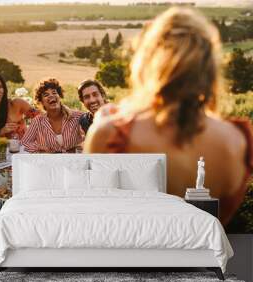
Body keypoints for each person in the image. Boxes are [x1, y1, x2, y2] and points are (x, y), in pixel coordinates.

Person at [84, 7, 252, 226]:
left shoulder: (110, 134)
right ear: (208, 65)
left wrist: (105, 125)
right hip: (203, 259)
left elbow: (94, 219)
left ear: (147, 61)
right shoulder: (239, 140)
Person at [22, 78, 83, 153]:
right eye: (46, 95)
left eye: (54, 93)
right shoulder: (37, 121)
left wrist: (80, 146)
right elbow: (24, 143)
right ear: (41, 102)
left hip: (74, 162)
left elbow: (90, 136)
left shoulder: (77, 116)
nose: (51, 96)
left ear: (59, 96)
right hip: (49, 163)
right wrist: (38, 148)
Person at [0, 71, 39, 139]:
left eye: (0, 87)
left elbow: (41, 118)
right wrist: (1, 132)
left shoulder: (16, 104)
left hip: (24, 148)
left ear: (4, 89)